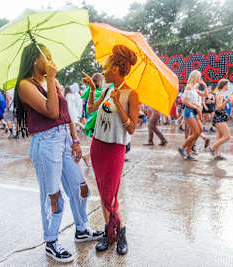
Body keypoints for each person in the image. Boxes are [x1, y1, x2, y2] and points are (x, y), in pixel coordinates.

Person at [14, 43, 103, 263]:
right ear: (36, 59)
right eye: (48, 57)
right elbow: (51, 111)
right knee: (53, 196)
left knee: (80, 187)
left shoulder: (51, 82)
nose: (52, 61)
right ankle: (51, 241)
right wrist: (52, 80)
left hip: (64, 139)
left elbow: (64, 114)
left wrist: (75, 140)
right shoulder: (25, 86)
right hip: (46, 143)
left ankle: (82, 229)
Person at [83, 45, 140, 255]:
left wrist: (118, 103)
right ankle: (110, 233)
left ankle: (121, 231)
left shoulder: (131, 94)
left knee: (110, 195)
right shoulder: (106, 89)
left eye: (107, 65)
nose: (104, 68)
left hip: (116, 148)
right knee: (102, 190)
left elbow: (132, 127)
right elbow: (90, 109)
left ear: (117, 67)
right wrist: (91, 89)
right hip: (98, 145)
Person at [177, 70, 207, 160]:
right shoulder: (189, 87)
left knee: (199, 130)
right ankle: (182, 148)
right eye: (199, 77)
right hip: (189, 111)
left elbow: (205, 94)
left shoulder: (194, 88)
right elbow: (184, 101)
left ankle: (188, 151)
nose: (200, 79)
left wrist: (204, 86)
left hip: (194, 112)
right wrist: (196, 107)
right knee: (196, 132)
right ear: (195, 77)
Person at [210, 79, 231, 160]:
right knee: (227, 136)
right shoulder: (220, 95)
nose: (228, 86)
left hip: (219, 117)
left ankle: (217, 154)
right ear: (224, 85)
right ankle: (212, 148)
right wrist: (227, 101)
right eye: (228, 85)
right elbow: (218, 108)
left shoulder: (221, 94)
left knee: (220, 136)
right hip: (219, 117)